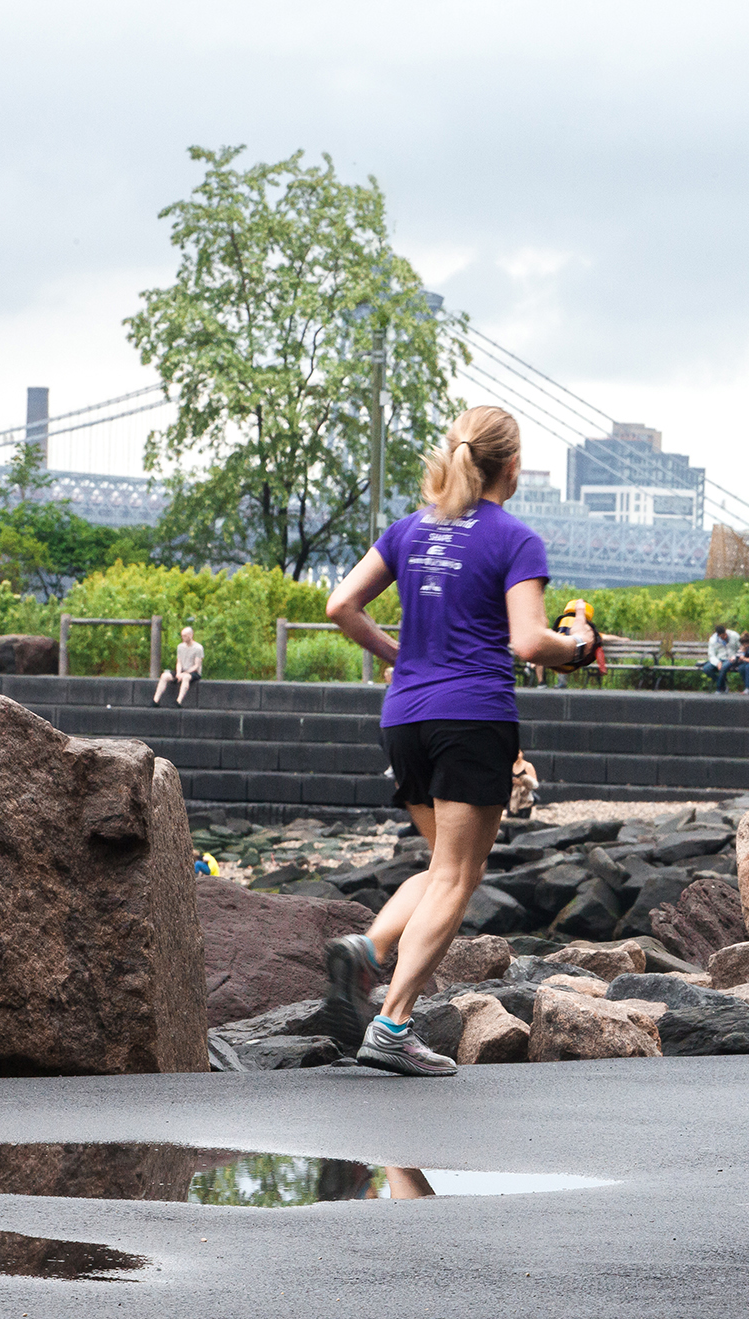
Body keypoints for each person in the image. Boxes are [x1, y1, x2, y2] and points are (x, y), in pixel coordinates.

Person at [319, 405, 597, 1077]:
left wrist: (399, 651)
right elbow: (530, 641)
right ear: (512, 466)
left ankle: (368, 945)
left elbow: (339, 606)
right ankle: (393, 1023)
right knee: (457, 876)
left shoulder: (409, 529)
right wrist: (580, 648)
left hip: (405, 715)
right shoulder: (515, 538)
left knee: (447, 863)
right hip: (471, 715)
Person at [152, 626, 203, 706]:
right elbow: (179, 662)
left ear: (190, 635)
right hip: (182, 670)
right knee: (164, 676)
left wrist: (185, 673)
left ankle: (178, 701)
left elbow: (196, 665)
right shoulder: (180, 647)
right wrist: (179, 673)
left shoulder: (198, 648)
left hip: (193, 672)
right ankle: (155, 700)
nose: (183, 638)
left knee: (186, 677)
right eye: (182, 635)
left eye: (185, 636)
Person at [698, 621, 740, 692]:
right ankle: (723, 685)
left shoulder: (734, 635)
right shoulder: (713, 640)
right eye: (722, 636)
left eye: (725, 635)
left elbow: (741, 649)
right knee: (706, 669)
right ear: (718, 635)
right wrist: (717, 662)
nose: (724, 637)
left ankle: (718, 689)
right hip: (720, 659)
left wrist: (735, 656)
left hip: (732, 659)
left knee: (723, 667)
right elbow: (711, 655)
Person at [509, 750, 539, 819]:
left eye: (518, 753)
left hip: (525, 798)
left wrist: (522, 783)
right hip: (512, 797)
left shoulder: (527, 766)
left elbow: (535, 784)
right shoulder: (510, 765)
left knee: (523, 819)